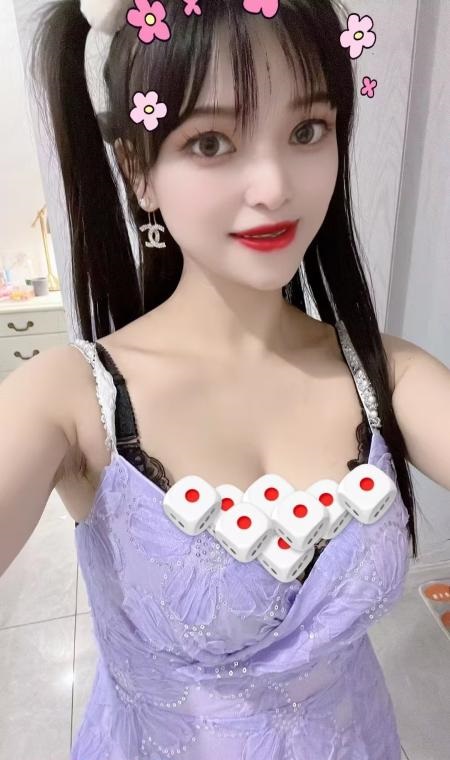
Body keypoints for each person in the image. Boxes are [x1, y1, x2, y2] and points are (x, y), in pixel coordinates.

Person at [2, 0, 448, 758]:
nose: (274, 187)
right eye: (210, 142)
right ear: (138, 169)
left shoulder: (391, 376)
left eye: (307, 130)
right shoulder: (69, 399)